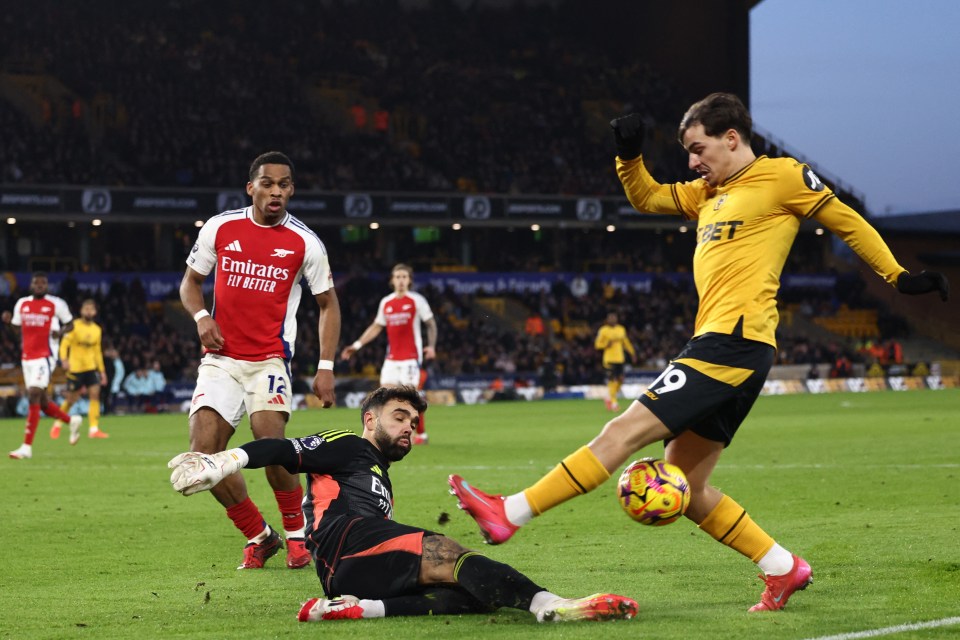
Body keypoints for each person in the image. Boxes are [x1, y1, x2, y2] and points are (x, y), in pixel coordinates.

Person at [448, 93, 950, 613]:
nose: (692, 162)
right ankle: (782, 567)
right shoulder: (706, 193)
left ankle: (511, 511)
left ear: (731, 138)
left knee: (621, 432)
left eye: (698, 148)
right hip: (729, 344)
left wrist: (899, 277)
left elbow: (846, 219)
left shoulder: (782, 176)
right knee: (685, 483)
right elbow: (647, 198)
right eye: (688, 152)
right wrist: (628, 155)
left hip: (731, 342)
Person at [168, 386, 637, 623]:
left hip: (353, 565)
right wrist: (225, 460)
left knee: (472, 597)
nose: (409, 426)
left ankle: (355, 609)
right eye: (400, 417)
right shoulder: (348, 443)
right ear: (370, 419)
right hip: (348, 540)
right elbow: (281, 449)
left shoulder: (376, 471)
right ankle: (552, 605)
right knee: (446, 552)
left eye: (413, 420)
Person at [179, 150, 341, 571]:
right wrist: (201, 318)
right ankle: (259, 536)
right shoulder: (221, 227)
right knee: (203, 456)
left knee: (272, 449)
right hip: (220, 359)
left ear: (291, 191)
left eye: (284, 185)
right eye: (267, 183)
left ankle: (295, 535)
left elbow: (328, 304)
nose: (276, 191)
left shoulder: (305, 242)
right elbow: (191, 283)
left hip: (270, 360)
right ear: (250, 187)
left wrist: (326, 367)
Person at [340, 263, 436, 445]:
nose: (401, 280)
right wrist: (357, 344)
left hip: (410, 359)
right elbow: (377, 326)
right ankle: (386, 434)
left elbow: (431, 323)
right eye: (397, 277)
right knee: (384, 399)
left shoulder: (416, 301)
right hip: (391, 360)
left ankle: (420, 435)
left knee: (411, 400)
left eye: (404, 277)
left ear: (409, 280)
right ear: (392, 280)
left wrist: (431, 346)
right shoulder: (387, 302)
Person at [3, 272, 82, 458]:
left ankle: (26, 447)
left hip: (45, 356)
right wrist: (8, 323)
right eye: (36, 283)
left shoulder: (56, 304)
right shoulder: (22, 304)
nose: (39, 286)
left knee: (33, 394)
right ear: (31, 285)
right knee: (43, 402)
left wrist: (60, 332)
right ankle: (71, 421)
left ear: (47, 286)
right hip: (27, 357)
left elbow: (70, 324)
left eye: (43, 283)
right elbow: (16, 330)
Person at [51, 298, 110, 440]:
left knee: (95, 394)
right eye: (86, 308)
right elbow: (64, 344)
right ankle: (57, 424)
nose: (89, 311)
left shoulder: (97, 330)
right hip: (75, 368)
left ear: (95, 312)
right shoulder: (74, 326)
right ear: (81, 310)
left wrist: (102, 372)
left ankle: (93, 429)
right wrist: (64, 360)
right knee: (72, 399)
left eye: (91, 309)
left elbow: (97, 352)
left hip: (90, 368)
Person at [594, 311, 636, 412]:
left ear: (616, 319)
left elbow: (626, 342)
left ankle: (609, 397)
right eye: (610, 318)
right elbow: (597, 344)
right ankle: (614, 403)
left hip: (620, 359)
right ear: (607, 320)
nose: (612, 319)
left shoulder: (621, 329)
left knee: (621, 379)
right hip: (609, 360)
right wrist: (605, 345)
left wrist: (632, 353)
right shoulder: (603, 330)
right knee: (612, 380)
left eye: (614, 318)